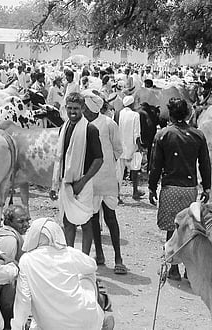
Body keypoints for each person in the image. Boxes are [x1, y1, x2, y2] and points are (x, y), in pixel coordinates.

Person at [11, 218, 114, 330]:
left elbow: (24, 299)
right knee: (87, 275)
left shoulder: (26, 260)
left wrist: (17, 326)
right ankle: (100, 313)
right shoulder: (69, 253)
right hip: (85, 322)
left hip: (49, 325)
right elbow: (92, 266)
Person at [149, 98, 211, 281]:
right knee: (190, 229)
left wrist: (152, 188)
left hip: (170, 187)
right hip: (189, 188)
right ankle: (189, 271)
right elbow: (205, 164)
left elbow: (156, 165)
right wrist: (206, 187)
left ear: (170, 114)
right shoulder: (198, 135)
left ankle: (173, 269)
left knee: (172, 228)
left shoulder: (163, 135)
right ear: (187, 114)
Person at [82, 90, 127, 275]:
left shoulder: (109, 124)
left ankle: (118, 257)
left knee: (110, 217)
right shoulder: (82, 125)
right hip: (89, 180)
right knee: (93, 218)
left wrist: (107, 166)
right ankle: (99, 254)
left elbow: (117, 149)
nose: (83, 110)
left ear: (92, 109)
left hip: (106, 179)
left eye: (85, 107)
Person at [52, 92, 103, 254]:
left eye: (76, 108)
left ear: (82, 108)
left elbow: (99, 159)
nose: (72, 112)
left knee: (86, 222)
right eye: (69, 108)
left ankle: (84, 257)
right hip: (66, 183)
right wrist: (54, 185)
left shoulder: (90, 129)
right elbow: (59, 158)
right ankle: (69, 256)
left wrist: (83, 181)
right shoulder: (63, 128)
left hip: (84, 183)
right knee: (68, 221)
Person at [117, 95, 143, 200]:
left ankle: (117, 196)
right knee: (135, 169)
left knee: (119, 173)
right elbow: (137, 134)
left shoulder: (118, 113)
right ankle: (135, 192)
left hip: (119, 148)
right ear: (132, 104)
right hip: (132, 147)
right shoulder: (135, 115)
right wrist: (140, 147)